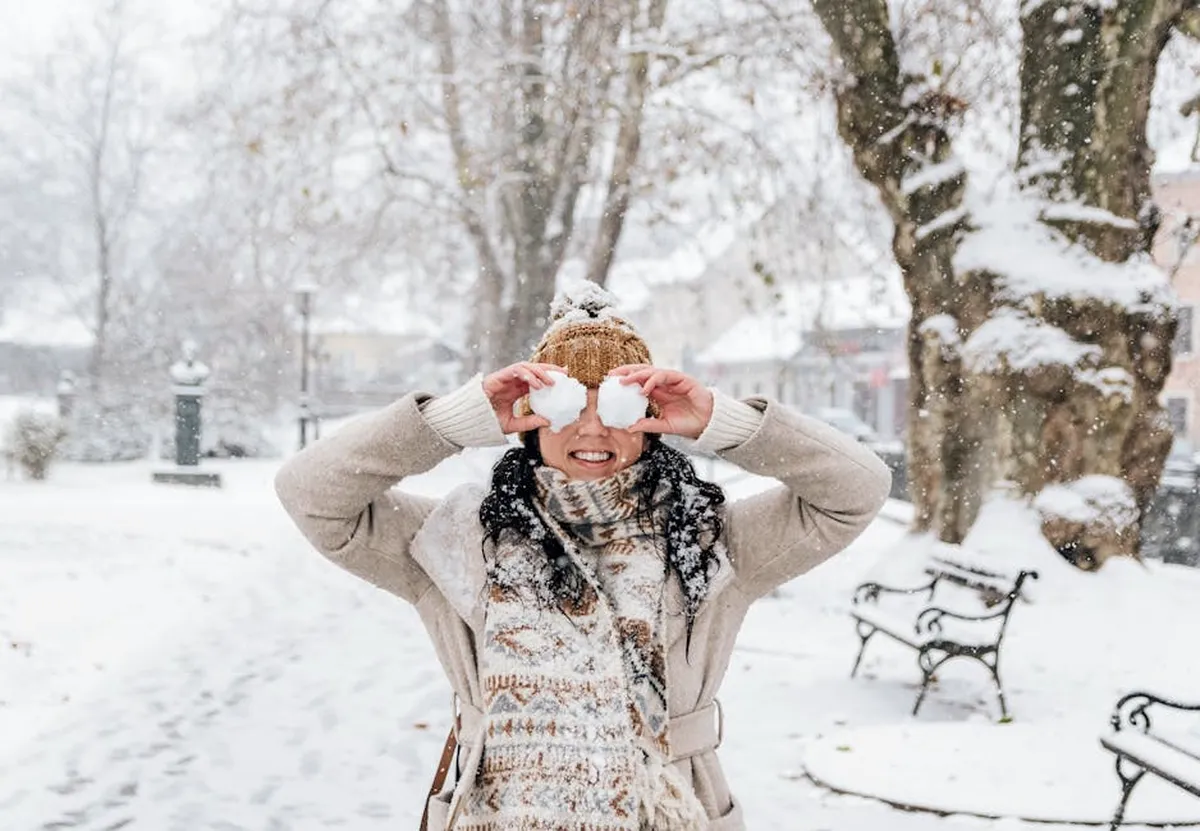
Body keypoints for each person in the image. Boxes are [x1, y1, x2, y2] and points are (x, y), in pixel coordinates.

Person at [274, 284, 891, 831]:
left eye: (617, 406)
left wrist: (721, 422)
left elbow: (858, 490)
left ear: (650, 416)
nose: (593, 430)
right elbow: (310, 493)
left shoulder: (707, 537)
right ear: (531, 421)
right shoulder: (459, 538)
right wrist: (450, 421)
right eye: (570, 405)